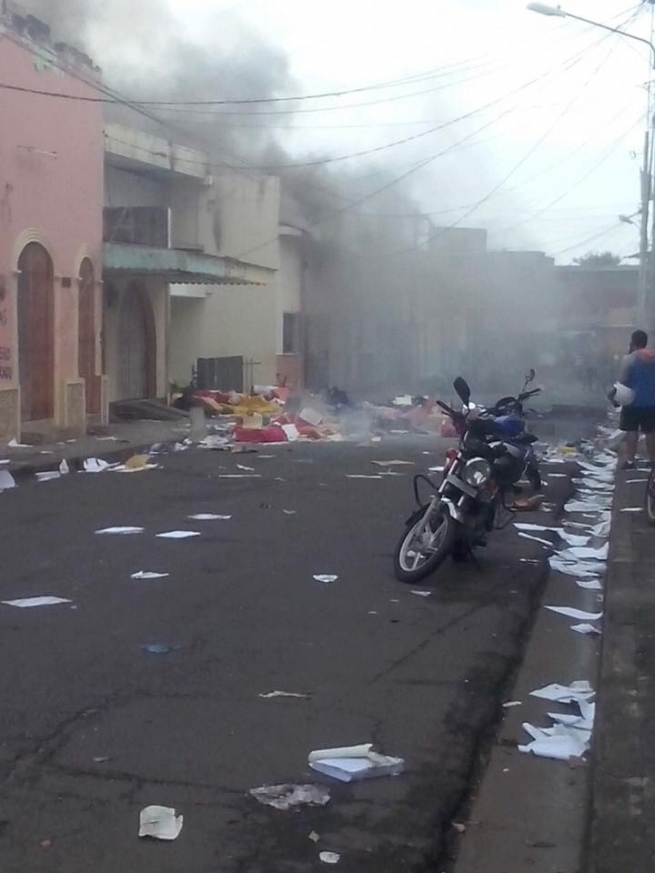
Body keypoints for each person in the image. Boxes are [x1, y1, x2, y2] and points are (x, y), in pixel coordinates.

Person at [612, 329, 655, 470]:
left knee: (632, 431)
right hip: (652, 402)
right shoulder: (653, 356)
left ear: (632, 342)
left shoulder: (630, 358)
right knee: (650, 432)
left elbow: (623, 380)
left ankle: (630, 461)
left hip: (633, 401)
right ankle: (652, 461)